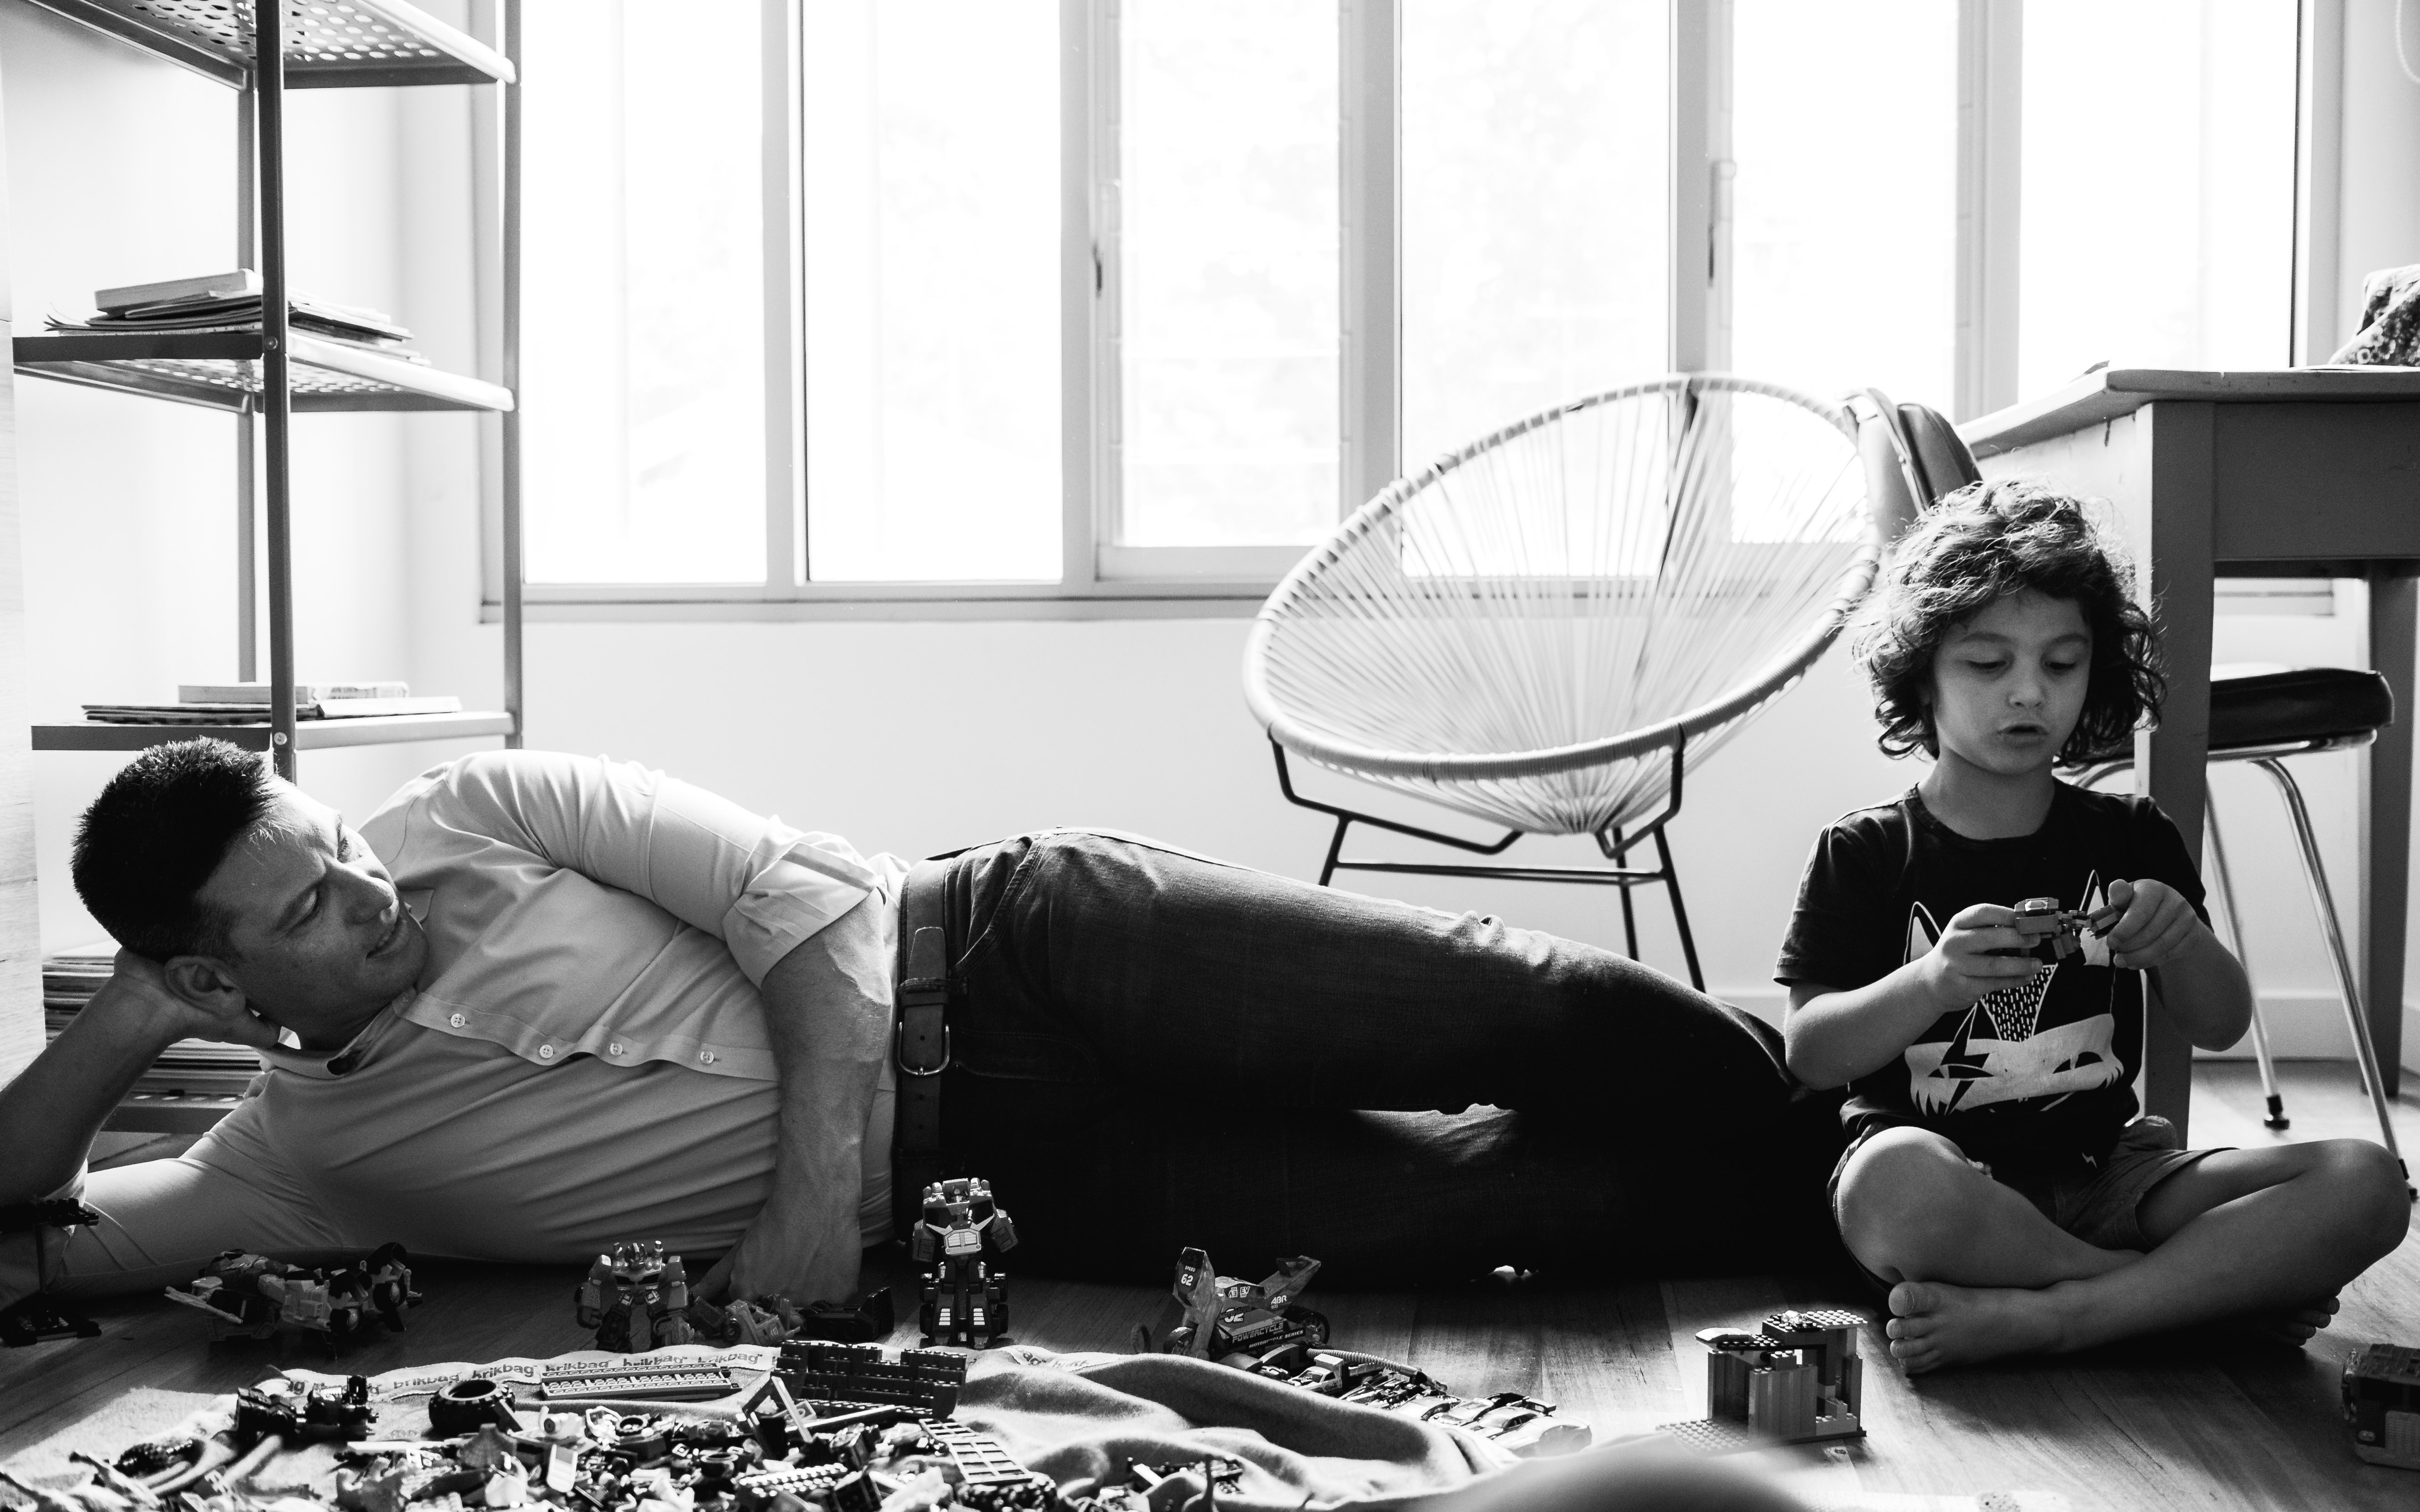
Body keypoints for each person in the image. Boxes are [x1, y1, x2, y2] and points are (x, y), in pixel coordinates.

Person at [4, 738, 1842, 1309]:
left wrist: (812, 1208)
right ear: (217, 987)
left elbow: (805, 915)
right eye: (310, 909)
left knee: (1514, 1007)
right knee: (1481, 1221)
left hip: (1018, 946)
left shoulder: (484, 805)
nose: (368, 892)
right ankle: (1857, 1211)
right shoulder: (300, 1165)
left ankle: (1898, 1112)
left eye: (335, 847)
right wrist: (117, 1036)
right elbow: (37, 1237)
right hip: (1017, 1174)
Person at [1776, 478, 2410, 1374]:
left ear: (2096, 673)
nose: (2027, 693)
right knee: (1892, 1188)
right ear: (1920, 673)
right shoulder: (1866, 851)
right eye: (1988, 665)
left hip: (2114, 1171)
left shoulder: (2130, 836)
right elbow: (1810, 1052)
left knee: (2366, 1182)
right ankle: (2167, 1298)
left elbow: (2221, 1022)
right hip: (1946, 1184)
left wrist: (2181, 941)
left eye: (2061, 664)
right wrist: (1931, 983)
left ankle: (2064, 1314)